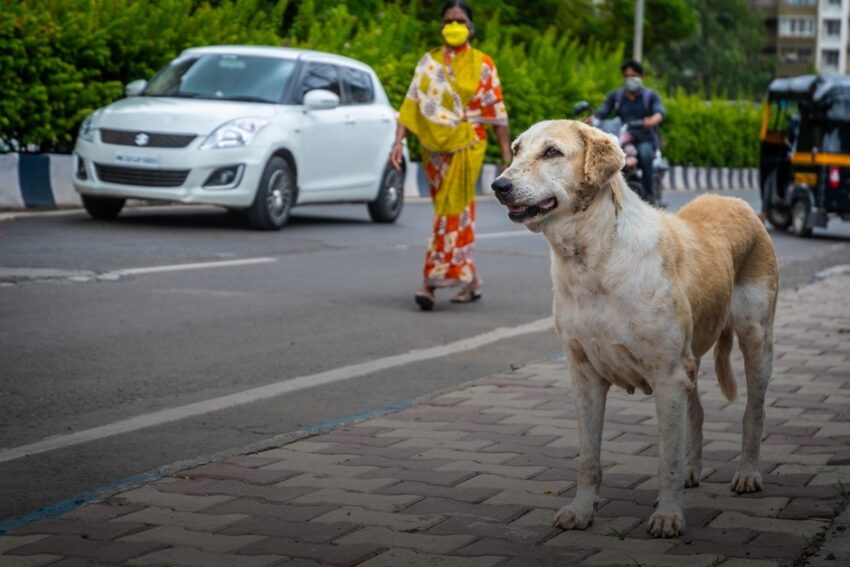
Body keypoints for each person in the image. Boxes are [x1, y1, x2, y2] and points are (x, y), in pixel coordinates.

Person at [390, 0, 511, 311]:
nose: (453, 26)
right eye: (448, 21)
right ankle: (470, 281)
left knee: (450, 213)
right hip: (432, 148)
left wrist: (507, 156)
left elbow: (497, 113)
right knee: (452, 215)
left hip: (469, 143)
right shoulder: (429, 62)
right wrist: (397, 143)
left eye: (459, 20)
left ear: (470, 27)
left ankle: (429, 283)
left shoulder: (483, 64)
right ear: (441, 26)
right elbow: (411, 104)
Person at [593, 59, 665, 204]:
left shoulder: (650, 96)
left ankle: (649, 197)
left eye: (633, 75)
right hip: (623, 138)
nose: (629, 79)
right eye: (626, 76)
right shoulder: (616, 96)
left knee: (645, 155)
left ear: (641, 77)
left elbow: (660, 113)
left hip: (644, 138)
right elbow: (602, 112)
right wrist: (591, 120)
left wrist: (651, 120)